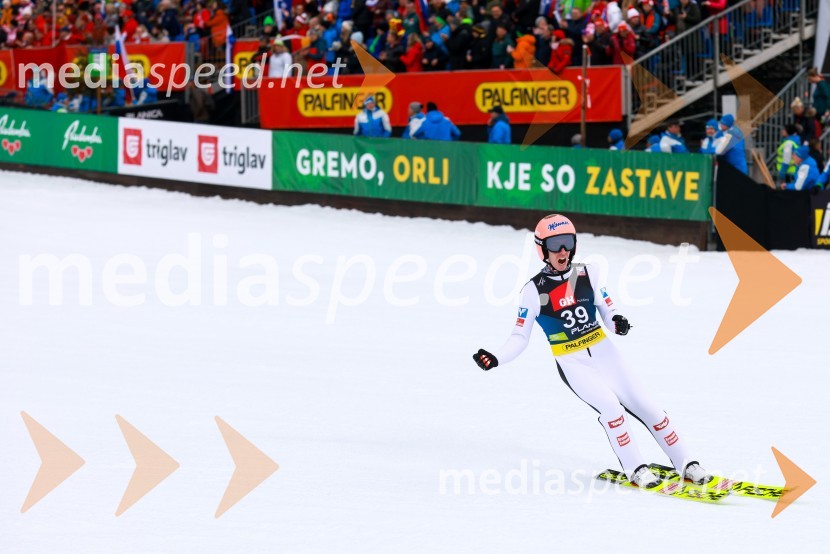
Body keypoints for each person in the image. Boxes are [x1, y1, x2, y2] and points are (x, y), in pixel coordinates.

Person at [471, 214, 713, 489]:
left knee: (649, 407)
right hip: (573, 362)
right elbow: (519, 336)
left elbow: (608, 311)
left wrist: (617, 322)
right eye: (555, 245)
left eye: (567, 243)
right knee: (611, 408)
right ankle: (636, 468)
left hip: (604, 352)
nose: (562, 251)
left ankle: (687, 463)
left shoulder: (588, 273)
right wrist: (496, 358)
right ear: (542, 249)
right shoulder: (533, 290)